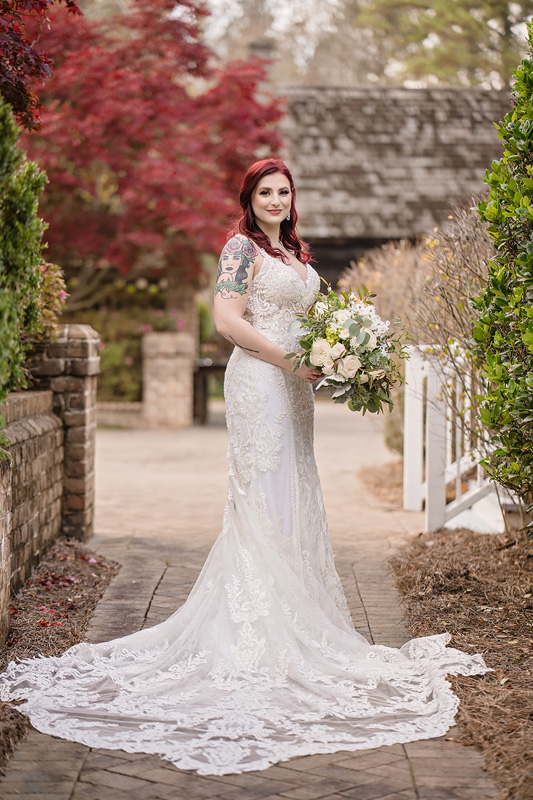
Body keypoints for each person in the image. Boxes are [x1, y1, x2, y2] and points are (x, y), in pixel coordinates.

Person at [0, 158, 490, 777]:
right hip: (261, 382)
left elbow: (310, 320)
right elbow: (228, 321)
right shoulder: (240, 249)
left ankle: (298, 615)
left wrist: (340, 350)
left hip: (296, 388)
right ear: (249, 198)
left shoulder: (295, 254)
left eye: (285, 191)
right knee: (261, 494)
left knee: (295, 490)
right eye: (266, 192)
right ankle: (256, 626)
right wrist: (290, 358)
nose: (277, 200)